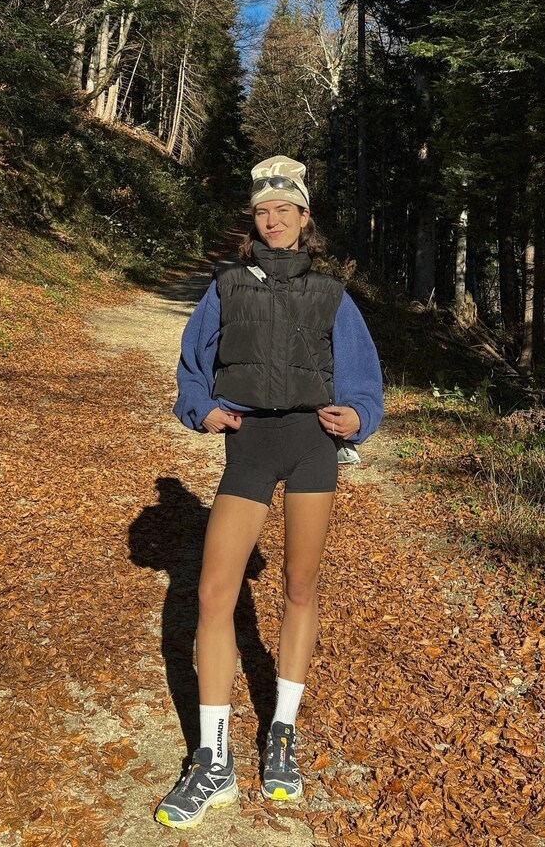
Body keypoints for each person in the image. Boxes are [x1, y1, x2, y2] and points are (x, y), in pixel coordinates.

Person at [155, 155, 383, 830]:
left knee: (300, 589)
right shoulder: (226, 286)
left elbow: (364, 379)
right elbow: (192, 367)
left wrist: (358, 417)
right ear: (253, 219)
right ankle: (213, 760)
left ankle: (281, 733)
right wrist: (202, 410)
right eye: (263, 210)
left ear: (305, 216)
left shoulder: (332, 294)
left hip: (312, 445)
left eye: (285, 208)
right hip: (250, 446)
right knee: (213, 593)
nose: (274, 219)